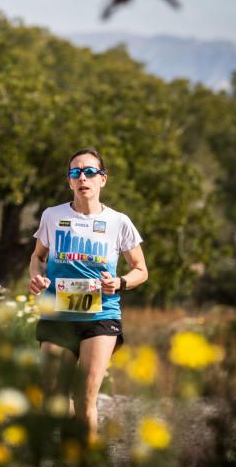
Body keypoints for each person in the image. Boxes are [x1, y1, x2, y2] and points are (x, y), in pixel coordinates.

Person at [28, 148, 148, 441]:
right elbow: (37, 257)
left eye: (90, 172)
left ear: (103, 179)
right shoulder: (53, 216)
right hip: (58, 314)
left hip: (101, 315)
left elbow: (141, 270)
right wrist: (36, 278)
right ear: (69, 181)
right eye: (75, 172)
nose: (82, 177)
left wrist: (119, 283)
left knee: (85, 399)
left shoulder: (119, 222)